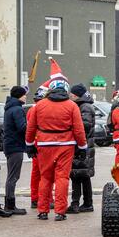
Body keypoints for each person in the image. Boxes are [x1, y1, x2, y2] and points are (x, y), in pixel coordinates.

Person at [25, 79, 87, 221]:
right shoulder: (72, 106)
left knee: (45, 178)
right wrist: (82, 146)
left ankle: (43, 210)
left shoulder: (39, 106)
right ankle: (60, 211)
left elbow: (31, 127)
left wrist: (29, 144)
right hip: (66, 145)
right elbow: (78, 129)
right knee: (62, 178)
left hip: (44, 144)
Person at [68, 84, 96, 214]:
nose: (69, 96)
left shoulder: (84, 107)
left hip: (82, 146)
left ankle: (78, 203)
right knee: (82, 175)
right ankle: (85, 203)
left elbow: (85, 126)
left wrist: (71, 127)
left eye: (71, 94)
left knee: (78, 175)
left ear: (76, 95)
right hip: (84, 145)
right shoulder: (84, 106)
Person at [2, 86, 28, 215]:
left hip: (10, 145)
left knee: (11, 176)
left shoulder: (10, 108)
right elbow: (22, 127)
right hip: (15, 146)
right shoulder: (17, 109)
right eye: (24, 94)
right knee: (13, 176)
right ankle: (10, 205)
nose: (25, 96)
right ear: (19, 95)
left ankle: (9, 204)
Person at [27, 84, 49, 208]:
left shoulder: (32, 109)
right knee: (45, 174)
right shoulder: (39, 109)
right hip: (42, 143)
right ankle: (43, 199)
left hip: (37, 142)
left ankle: (35, 198)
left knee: (37, 173)